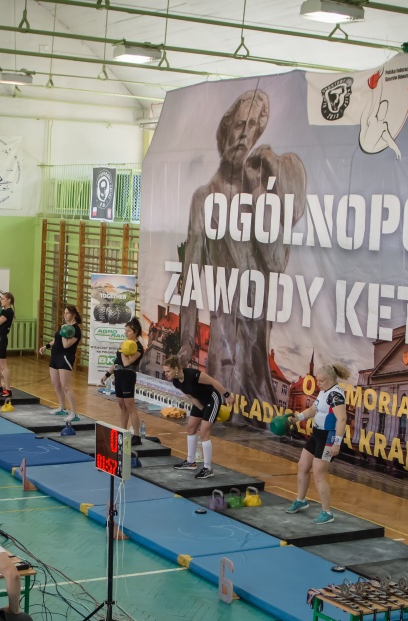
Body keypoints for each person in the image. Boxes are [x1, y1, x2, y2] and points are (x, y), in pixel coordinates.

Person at [177, 89, 306, 412]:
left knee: (258, 417)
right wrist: (187, 342)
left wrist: (268, 180)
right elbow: (190, 279)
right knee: (218, 415)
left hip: (257, 350)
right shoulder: (204, 198)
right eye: (239, 125)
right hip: (222, 347)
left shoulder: (260, 195)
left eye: (253, 128)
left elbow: (276, 262)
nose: (245, 135)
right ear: (226, 130)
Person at [287, 363, 351, 525]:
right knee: (302, 466)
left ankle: (327, 512)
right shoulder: (324, 391)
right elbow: (313, 410)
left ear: (331, 380)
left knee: (319, 474)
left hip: (328, 437)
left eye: (321, 381)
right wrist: (297, 418)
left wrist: (337, 443)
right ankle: (301, 500)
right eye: (317, 380)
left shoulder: (336, 395)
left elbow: (342, 419)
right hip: (317, 434)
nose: (318, 383)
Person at [164, 353, 229, 480]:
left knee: (204, 431)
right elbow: (190, 396)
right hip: (199, 401)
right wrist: (202, 410)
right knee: (191, 428)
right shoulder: (176, 381)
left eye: (168, 371)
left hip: (212, 399)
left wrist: (227, 395)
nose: (165, 374)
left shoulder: (192, 374)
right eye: (165, 371)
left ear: (176, 369)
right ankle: (190, 462)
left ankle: (208, 468)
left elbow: (213, 381)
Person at [102, 320, 146, 444]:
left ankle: (136, 436)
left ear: (135, 332)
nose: (126, 333)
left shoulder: (138, 347)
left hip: (128, 376)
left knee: (129, 406)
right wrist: (106, 374)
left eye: (128, 331)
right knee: (122, 406)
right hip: (118, 375)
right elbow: (117, 362)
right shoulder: (125, 344)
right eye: (125, 331)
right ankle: (123, 432)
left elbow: (127, 363)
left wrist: (122, 349)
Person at [38, 304, 80, 422]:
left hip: (65, 357)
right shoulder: (65, 326)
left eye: (67, 313)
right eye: (64, 313)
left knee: (66, 386)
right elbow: (57, 339)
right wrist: (46, 346)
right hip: (55, 356)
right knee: (56, 384)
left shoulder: (76, 330)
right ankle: (62, 407)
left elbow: (66, 345)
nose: (65, 315)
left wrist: (64, 331)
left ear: (73, 314)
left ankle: (74, 413)